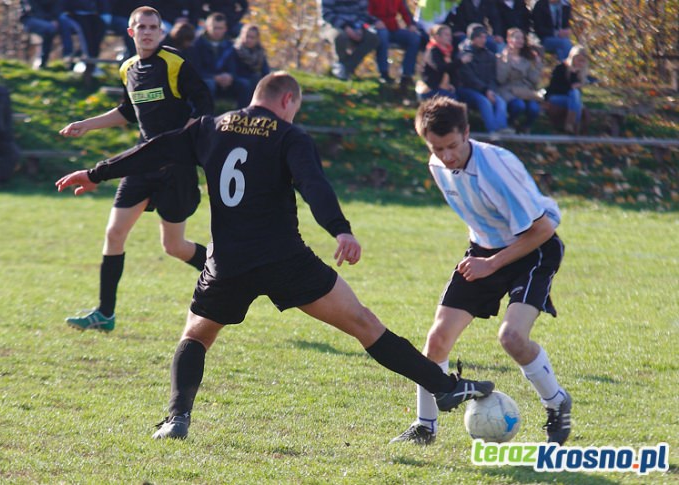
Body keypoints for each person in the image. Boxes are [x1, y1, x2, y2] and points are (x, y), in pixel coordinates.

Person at [55, 71, 495, 440]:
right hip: (287, 261)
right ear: (287, 100)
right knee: (364, 324)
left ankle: (177, 419)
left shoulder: (210, 127)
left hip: (228, 262)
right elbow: (314, 187)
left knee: (195, 336)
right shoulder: (289, 135)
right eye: (295, 108)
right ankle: (442, 387)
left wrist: (96, 174)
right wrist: (340, 230)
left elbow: (153, 149)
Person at [391, 95, 571, 446]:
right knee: (437, 340)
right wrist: (483, 256)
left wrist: (491, 264)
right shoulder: (437, 164)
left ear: (468, 133)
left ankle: (557, 402)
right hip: (484, 251)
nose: (446, 156)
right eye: (436, 147)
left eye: (452, 146)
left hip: (533, 249)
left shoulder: (499, 166)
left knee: (512, 338)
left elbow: (543, 229)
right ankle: (424, 427)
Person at [58, 6, 214, 332]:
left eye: (153, 27)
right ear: (130, 32)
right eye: (141, 27)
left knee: (174, 247)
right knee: (114, 233)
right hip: (141, 163)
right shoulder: (128, 67)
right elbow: (129, 111)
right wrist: (87, 125)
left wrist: (181, 140)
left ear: (161, 32)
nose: (147, 32)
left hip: (175, 167)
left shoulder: (176, 64)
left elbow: (204, 106)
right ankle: (105, 313)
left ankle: (226, 269)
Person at [456, 23, 511, 134]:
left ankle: (502, 128)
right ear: (472, 38)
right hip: (467, 89)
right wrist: (485, 90)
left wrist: (490, 90)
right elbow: (468, 78)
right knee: (484, 102)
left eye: (484, 37)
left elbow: (492, 77)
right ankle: (493, 131)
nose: (483, 40)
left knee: (500, 102)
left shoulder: (489, 55)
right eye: (479, 37)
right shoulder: (463, 54)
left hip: (486, 90)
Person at [191, 12, 250, 108]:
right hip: (206, 80)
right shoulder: (197, 44)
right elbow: (195, 70)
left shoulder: (230, 45)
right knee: (209, 85)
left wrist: (230, 76)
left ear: (225, 29)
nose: (217, 31)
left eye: (220, 28)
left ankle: (242, 118)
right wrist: (214, 77)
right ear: (207, 27)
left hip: (225, 82)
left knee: (244, 84)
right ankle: (207, 118)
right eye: (215, 28)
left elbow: (234, 66)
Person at [319, 0, 380, 81]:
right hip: (332, 25)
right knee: (340, 37)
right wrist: (345, 27)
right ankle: (342, 69)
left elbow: (363, 14)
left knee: (373, 39)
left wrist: (359, 28)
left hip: (355, 26)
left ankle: (345, 68)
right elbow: (326, 14)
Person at [496, 27, 542, 133]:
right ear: (509, 40)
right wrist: (506, 61)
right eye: (517, 38)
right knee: (519, 105)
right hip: (508, 90)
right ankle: (511, 123)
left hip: (524, 90)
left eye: (522, 38)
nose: (521, 40)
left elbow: (533, 80)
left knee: (534, 108)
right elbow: (500, 79)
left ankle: (525, 127)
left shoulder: (527, 59)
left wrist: (538, 65)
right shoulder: (501, 58)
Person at [368, 0, 422, 89]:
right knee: (383, 36)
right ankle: (383, 73)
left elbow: (405, 12)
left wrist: (411, 25)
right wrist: (375, 21)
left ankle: (406, 74)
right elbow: (366, 13)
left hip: (393, 29)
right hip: (377, 29)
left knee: (414, 38)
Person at [545, 44, 590, 135]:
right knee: (576, 98)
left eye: (582, 61)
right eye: (578, 60)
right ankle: (574, 125)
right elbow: (554, 87)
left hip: (571, 99)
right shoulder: (560, 68)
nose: (580, 63)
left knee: (575, 96)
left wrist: (577, 79)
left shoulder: (581, 72)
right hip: (556, 97)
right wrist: (572, 85)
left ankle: (570, 125)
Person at [20, 0, 77, 69]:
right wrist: (51, 20)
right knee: (49, 29)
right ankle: (42, 59)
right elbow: (34, 9)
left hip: (51, 20)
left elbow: (57, 8)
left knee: (65, 25)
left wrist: (55, 19)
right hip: (31, 19)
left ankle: (68, 56)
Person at [62, 0, 111, 76]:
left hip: (92, 14)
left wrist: (104, 13)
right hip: (74, 14)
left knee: (99, 30)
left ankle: (92, 62)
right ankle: (86, 61)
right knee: (85, 32)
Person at [417, 24, 464, 100]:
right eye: (446, 35)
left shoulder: (448, 52)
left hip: (444, 89)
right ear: (437, 37)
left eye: (450, 35)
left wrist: (451, 84)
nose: (450, 37)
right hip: (430, 90)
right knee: (454, 102)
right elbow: (440, 68)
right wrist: (460, 62)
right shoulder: (432, 51)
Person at [231, 24, 270, 105]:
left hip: (253, 81)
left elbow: (265, 71)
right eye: (247, 36)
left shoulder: (260, 53)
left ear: (257, 39)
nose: (248, 40)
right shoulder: (235, 50)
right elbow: (232, 70)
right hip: (238, 82)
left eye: (252, 38)